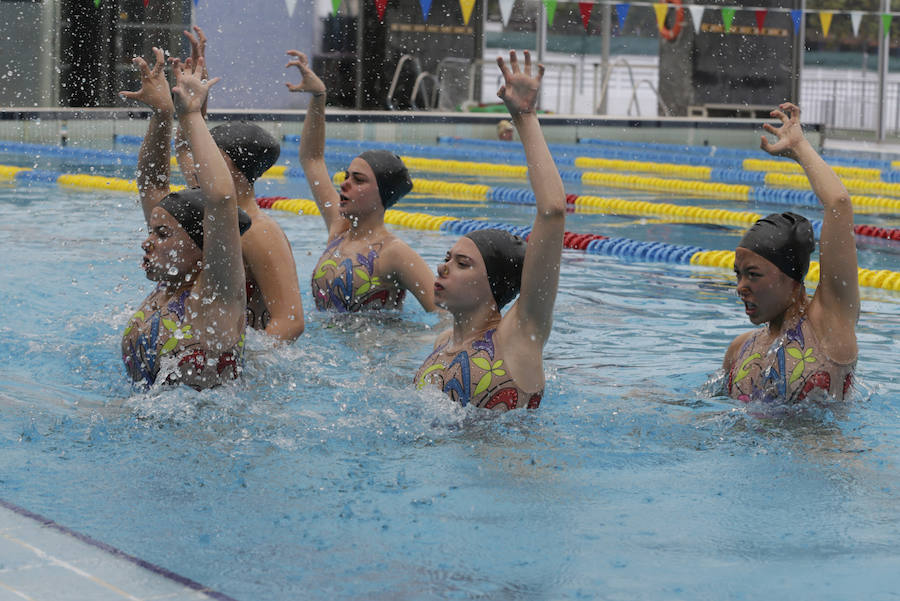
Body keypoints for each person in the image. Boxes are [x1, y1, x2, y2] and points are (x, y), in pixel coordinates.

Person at [414, 51, 566, 410]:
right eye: (447, 258)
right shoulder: (441, 344)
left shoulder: (519, 334)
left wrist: (525, 118)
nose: (443, 267)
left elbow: (553, 212)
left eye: (463, 263)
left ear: (493, 283)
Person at [119, 48, 247, 390]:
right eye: (152, 232)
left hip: (204, 440)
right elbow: (152, 184)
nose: (148, 242)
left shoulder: (214, 295)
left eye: (162, 234)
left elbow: (221, 201)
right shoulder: (168, 286)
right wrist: (162, 114)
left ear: (203, 245)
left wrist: (190, 114)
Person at [175, 27, 305, 342]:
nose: (200, 163)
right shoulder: (215, 205)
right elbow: (183, 148)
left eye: (213, 158)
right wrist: (195, 100)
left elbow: (290, 322)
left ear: (232, 168)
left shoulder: (260, 232)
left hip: (242, 372)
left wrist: (233, 365)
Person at [723, 102, 858, 404]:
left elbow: (838, 203)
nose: (740, 287)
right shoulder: (739, 349)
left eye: (753, 275)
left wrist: (799, 147)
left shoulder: (830, 325)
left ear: (791, 279)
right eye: (739, 275)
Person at [285, 50, 438, 314]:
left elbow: (444, 313)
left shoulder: (394, 253)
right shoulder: (339, 231)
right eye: (346, 177)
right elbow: (312, 159)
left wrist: (408, 344)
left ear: (382, 192)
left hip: (378, 353)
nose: (344, 184)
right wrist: (318, 97)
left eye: (358, 180)